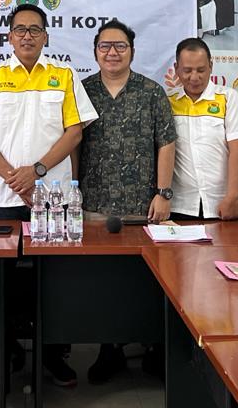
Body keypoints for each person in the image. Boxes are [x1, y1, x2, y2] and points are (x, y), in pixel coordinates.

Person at [0, 4, 98, 387]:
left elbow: (74, 132)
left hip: (54, 198)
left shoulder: (65, 75)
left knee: (54, 282)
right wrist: (17, 179)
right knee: (1, 282)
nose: (27, 35)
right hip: (2, 197)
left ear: (46, 36)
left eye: (35, 29)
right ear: (9, 36)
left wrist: (37, 172)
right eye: (20, 29)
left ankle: (53, 356)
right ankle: (3, 355)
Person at [74, 26, 175, 387]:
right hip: (95, 205)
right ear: (95, 51)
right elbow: (73, 144)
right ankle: (109, 350)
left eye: (120, 46)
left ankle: (153, 348)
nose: (112, 52)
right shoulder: (82, 91)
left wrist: (163, 193)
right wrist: (73, 192)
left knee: (146, 283)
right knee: (105, 284)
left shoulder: (151, 92)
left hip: (142, 207)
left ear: (132, 50)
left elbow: (166, 143)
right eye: (105, 46)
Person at [166, 38, 238, 221]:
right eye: (187, 70)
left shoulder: (228, 98)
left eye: (201, 70)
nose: (194, 77)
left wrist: (232, 197)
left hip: (222, 204)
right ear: (177, 68)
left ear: (211, 66)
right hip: (181, 205)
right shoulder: (168, 102)